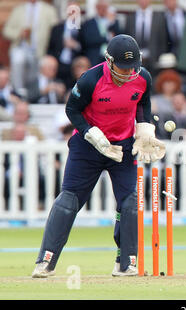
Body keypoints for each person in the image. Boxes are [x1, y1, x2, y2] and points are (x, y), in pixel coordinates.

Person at [31, 34, 166, 278]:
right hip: (88, 147)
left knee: (130, 202)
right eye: (123, 68)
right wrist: (90, 133)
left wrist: (145, 128)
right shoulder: (90, 79)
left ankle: (126, 263)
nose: (128, 73)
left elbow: (143, 105)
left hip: (123, 147)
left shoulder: (143, 77)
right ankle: (46, 260)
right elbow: (72, 109)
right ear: (110, 61)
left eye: (132, 67)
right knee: (69, 201)